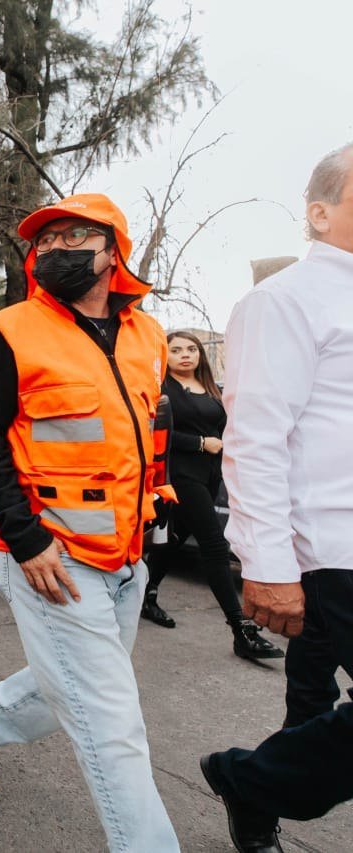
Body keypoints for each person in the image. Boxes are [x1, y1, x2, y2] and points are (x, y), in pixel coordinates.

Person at [0, 194, 179, 852]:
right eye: (48, 239)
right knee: (113, 725)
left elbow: (150, 426)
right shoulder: (8, 331)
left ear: (113, 251)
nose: (58, 247)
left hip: (125, 556)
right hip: (51, 559)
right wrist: (26, 536)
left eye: (76, 235)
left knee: (64, 684)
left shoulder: (149, 335)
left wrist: (159, 503)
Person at [201, 143, 353, 853]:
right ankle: (251, 781)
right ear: (320, 214)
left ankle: (253, 781)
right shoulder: (285, 299)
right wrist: (265, 563)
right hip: (333, 553)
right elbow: (256, 438)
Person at [140, 332, 282, 660]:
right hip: (179, 475)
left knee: (173, 539)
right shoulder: (161, 390)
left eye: (191, 349)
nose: (185, 355)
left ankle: (146, 593)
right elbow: (153, 431)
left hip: (210, 475)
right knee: (215, 546)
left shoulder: (211, 389)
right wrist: (200, 443)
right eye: (176, 350)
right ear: (165, 355)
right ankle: (241, 630)